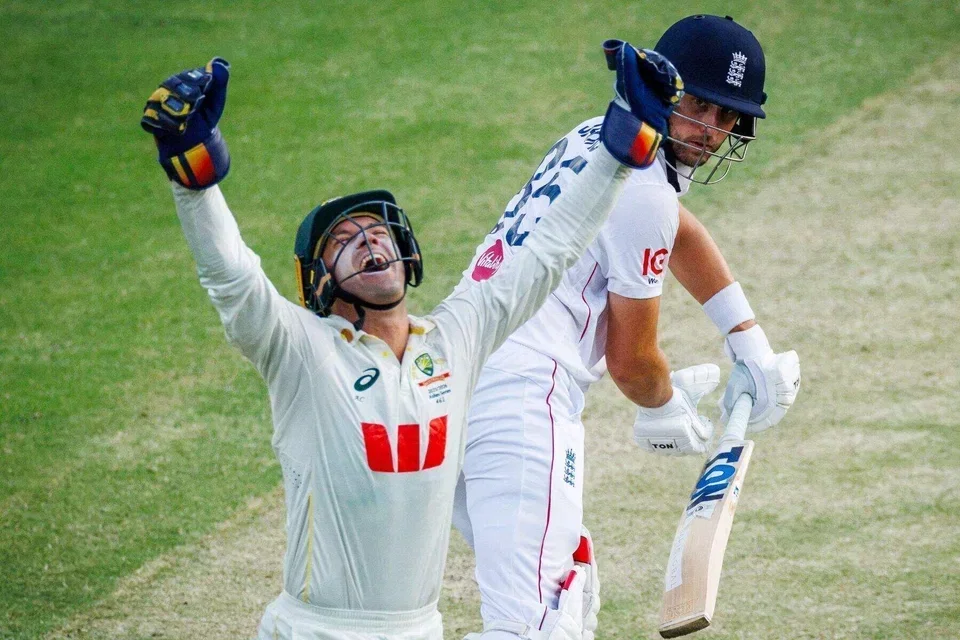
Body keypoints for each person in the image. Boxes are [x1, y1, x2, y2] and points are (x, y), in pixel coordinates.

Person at [139, 42, 683, 640]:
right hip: (316, 630)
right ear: (316, 283)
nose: (370, 242)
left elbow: (549, 249)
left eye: (379, 230)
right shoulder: (300, 352)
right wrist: (193, 178)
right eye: (344, 240)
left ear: (409, 254)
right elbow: (233, 280)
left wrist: (625, 143)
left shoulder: (456, 339)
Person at [451, 15, 802, 640]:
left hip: (453, 376)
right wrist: (668, 409)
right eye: (701, 106)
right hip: (521, 401)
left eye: (728, 118)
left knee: (563, 598)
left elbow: (678, 228)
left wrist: (746, 338)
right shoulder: (644, 190)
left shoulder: (599, 138)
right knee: (536, 628)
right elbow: (633, 363)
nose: (713, 131)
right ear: (666, 91)